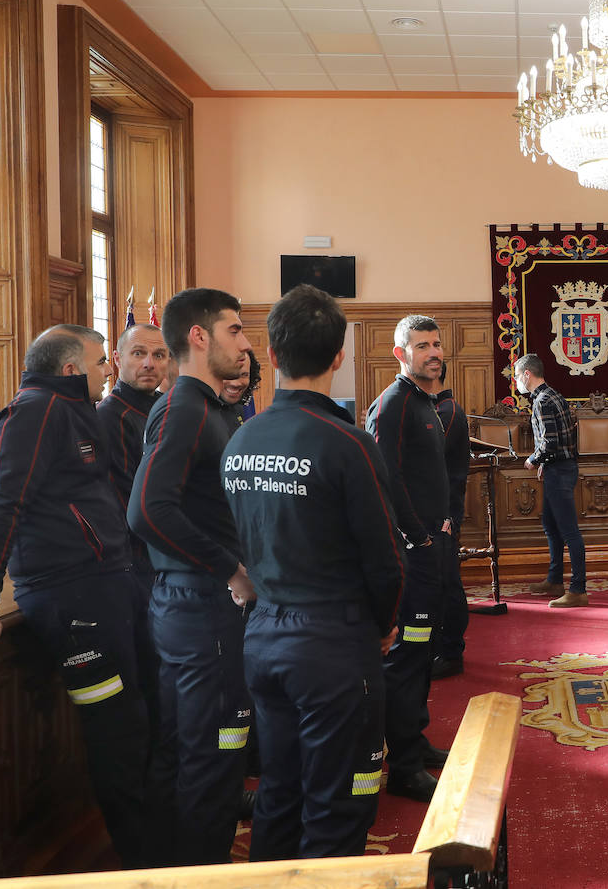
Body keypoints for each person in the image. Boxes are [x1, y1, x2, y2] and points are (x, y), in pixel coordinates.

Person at [0, 325, 165, 869]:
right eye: (98, 364)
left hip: (108, 585)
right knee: (116, 728)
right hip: (70, 596)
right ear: (69, 370)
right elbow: (1, 503)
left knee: (139, 718)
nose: (106, 372)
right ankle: (143, 862)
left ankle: (158, 836)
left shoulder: (75, 411)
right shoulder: (34, 413)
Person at [222, 285, 404, 859]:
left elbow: (239, 540)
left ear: (270, 356)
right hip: (332, 642)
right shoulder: (348, 443)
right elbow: (387, 561)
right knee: (339, 802)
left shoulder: (241, 438)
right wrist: (382, 625)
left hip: (264, 637)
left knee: (280, 788)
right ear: (339, 357)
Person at [128, 288, 256, 865]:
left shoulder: (209, 408)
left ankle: (174, 864)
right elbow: (148, 510)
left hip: (200, 604)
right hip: (200, 604)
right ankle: (199, 871)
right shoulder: (183, 408)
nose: (246, 342)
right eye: (234, 329)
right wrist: (230, 569)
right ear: (199, 337)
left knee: (199, 748)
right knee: (210, 751)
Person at [365, 315, 452, 801]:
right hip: (412, 556)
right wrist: (417, 536)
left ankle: (413, 740)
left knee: (421, 652)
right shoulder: (394, 404)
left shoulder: (426, 402)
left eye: (436, 344)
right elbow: (386, 479)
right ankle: (402, 766)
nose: (432, 352)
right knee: (405, 657)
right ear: (401, 354)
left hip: (430, 551)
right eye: (421, 346)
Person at [98, 323, 170, 590]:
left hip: (163, 556)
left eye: (159, 355)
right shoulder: (109, 416)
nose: (149, 364)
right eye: (138, 353)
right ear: (117, 358)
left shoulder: (164, 410)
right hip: (134, 563)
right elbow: (124, 502)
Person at [514, 353, 588, 607]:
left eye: (516, 376)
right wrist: (544, 462)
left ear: (527, 374)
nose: (515, 382)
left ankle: (578, 590)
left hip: (559, 471)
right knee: (551, 525)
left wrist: (533, 459)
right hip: (559, 468)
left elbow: (551, 443)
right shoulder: (553, 395)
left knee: (569, 532)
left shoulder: (543, 401)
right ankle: (555, 580)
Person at [432, 362, 471, 679]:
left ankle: (451, 651)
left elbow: (428, 456)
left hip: (444, 511)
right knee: (439, 581)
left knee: (447, 583)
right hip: (436, 510)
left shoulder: (448, 411)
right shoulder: (436, 409)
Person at [222, 349, 262, 427]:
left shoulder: (242, 407)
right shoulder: (198, 413)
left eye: (244, 375)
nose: (235, 383)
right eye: (228, 375)